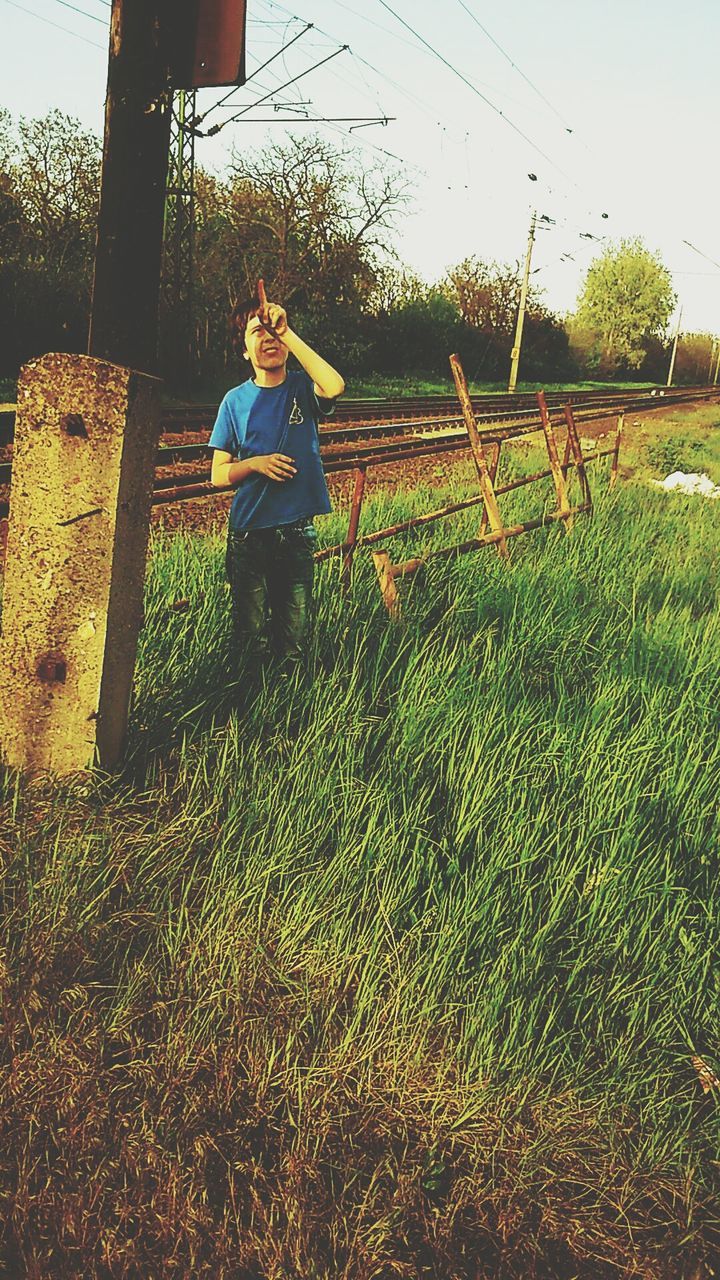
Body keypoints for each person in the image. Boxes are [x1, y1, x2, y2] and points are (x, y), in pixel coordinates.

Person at [209, 283, 345, 670]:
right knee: (249, 629)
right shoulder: (234, 401)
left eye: (274, 332)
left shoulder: (303, 387)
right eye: (258, 332)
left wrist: (286, 330)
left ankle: (287, 702)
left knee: (295, 631)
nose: (269, 339)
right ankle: (247, 699)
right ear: (243, 348)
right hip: (250, 532)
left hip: (297, 531)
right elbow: (218, 474)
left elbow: (335, 385)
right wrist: (255, 464)